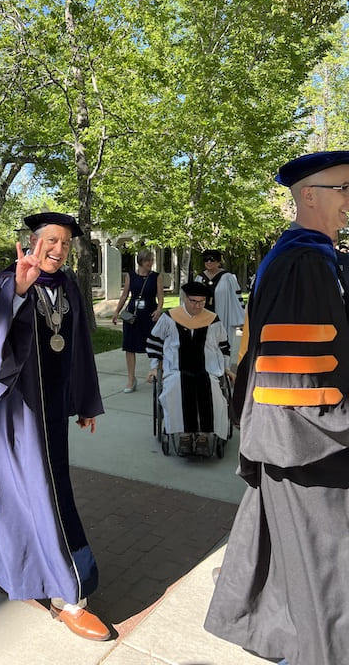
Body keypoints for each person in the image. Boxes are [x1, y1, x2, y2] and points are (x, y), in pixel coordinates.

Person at [204, 150, 349, 665]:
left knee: (297, 569)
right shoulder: (304, 262)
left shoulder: (305, 257)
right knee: (323, 580)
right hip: (309, 444)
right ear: (308, 196)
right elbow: (299, 372)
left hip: (295, 440)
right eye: (343, 190)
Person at [0, 212, 109, 642]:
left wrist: (84, 401)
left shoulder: (68, 286)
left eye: (65, 243)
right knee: (48, 492)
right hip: (17, 409)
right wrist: (17, 291)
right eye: (51, 241)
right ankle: (68, 595)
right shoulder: (9, 279)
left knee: (9, 476)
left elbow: (77, 345)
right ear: (32, 241)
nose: (58, 249)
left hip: (53, 407)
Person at [146, 281, 232, 456]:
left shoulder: (213, 320)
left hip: (207, 369)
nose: (197, 306)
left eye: (202, 302)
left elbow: (224, 347)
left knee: (214, 392)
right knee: (174, 388)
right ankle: (184, 435)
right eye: (193, 301)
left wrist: (227, 369)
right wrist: (154, 367)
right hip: (176, 369)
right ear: (185, 298)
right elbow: (155, 343)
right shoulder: (170, 317)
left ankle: (203, 435)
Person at [112, 249, 163, 392]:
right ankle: (131, 379)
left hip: (149, 314)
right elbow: (124, 296)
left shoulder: (156, 277)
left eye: (152, 260)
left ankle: (157, 374)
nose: (151, 263)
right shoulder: (130, 276)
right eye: (148, 261)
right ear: (140, 261)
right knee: (129, 346)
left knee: (156, 345)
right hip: (132, 316)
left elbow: (160, 296)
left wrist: (159, 309)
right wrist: (116, 312)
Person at [195, 249, 245, 361]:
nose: (208, 262)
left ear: (218, 262)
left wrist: (241, 319)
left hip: (222, 316)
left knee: (222, 343)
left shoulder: (227, 278)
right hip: (202, 317)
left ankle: (223, 370)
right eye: (206, 259)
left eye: (212, 259)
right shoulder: (200, 278)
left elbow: (236, 299)